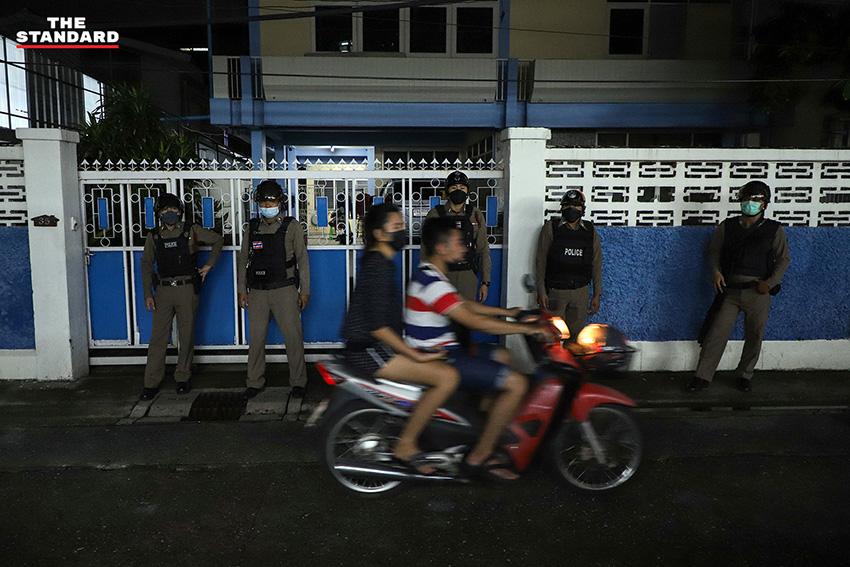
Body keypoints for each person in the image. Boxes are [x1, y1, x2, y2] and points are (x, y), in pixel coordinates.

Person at [406, 216, 553, 483]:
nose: (464, 247)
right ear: (442, 248)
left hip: (447, 350)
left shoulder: (431, 275)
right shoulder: (431, 281)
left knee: (503, 356)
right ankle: (480, 455)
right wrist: (527, 329)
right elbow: (472, 320)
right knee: (517, 384)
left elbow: (463, 304)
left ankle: (480, 422)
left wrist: (509, 312)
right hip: (442, 359)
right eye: (458, 243)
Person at [340, 202, 459, 474]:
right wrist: (415, 355)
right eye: (396, 227)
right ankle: (406, 445)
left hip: (373, 346)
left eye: (403, 225)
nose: (403, 231)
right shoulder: (378, 267)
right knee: (447, 377)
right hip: (368, 350)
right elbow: (378, 328)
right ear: (380, 234)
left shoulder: (380, 262)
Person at [686, 181, 790, 393]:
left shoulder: (774, 229)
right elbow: (714, 251)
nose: (750, 203)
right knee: (716, 335)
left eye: (756, 199)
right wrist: (715, 271)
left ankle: (744, 375)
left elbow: (783, 259)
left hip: (758, 291)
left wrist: (770, 283)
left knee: (754, 335)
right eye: (747, 198)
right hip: (730, 291)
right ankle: (702, 376)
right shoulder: (727, 226)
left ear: (764, 204)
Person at [139, 193, 224, 400]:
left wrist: (209, 265)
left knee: (186, 335)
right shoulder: (154, 236)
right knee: (158, 338)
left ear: (180, 211)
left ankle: (183, 377)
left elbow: (218, 240)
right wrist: (148, 294)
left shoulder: (190, 230)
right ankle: (151, 382)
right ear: (158, 213)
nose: (169, 213)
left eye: (173, 209)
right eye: (165, 210)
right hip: (163, 291)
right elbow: (146, 264)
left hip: (186, 289)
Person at [237, 180, 311, 400]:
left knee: (293, 338)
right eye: (263, 201)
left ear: (280, 202)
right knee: (256, 339)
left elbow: (302, 260)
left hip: (284, 290)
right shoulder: (252, 228)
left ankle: (298, 382)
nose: (268, 205)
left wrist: (304, 291)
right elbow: (243, 260)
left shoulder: (292, 226)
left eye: (272, 201)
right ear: (257, 203)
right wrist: (242, 289)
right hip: (257, 292)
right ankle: (254, 381)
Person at [425, 171, 492, 345]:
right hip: (442, 276)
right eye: (454, 187)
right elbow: (426, 251)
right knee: (439, 320)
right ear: (447, 191)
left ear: (468, 191)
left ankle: (462, 353)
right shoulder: (435, 214)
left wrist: (485, 282)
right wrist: (427, 280)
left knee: (465, 321)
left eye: (462, 187)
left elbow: (483, 249)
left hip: (467, 277)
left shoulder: (475, 215)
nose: (458, 191)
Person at [535, 189, 602, 341]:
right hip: (556, 291)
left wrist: (597, 294)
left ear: (582, 209)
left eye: (576, 205)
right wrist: (541, 290)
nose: (572, 208)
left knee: (576, 338)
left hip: (581, 292)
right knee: (553, 335)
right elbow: (541, 261)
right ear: (562, 207)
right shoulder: (551, 228)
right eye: (568, 205)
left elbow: (597, 263)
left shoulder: (590, 230)